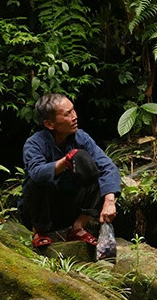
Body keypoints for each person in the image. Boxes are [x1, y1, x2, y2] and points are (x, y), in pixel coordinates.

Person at [21, 93, 121, 248]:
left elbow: (107, 166)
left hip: (70, 208)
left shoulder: (81, 138)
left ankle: (78, 227)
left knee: (96, 173)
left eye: (73, 110)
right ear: (49, 124)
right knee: (36, 180)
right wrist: (66, 161)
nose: (75, 116)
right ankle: (39, 231)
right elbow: (37, 173)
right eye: (67, 114)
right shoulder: (35, 143)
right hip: (40, 211)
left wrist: (109, 201)